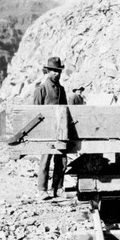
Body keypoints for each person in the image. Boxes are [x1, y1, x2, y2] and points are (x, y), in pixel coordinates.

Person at [33, 57, 68, 200]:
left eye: (59, 71)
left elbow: (66, 110)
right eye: (54, 71)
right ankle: (42, 189)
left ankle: (57, 188)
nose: (57, 74)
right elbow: (35, 113)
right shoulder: (41, 89)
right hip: (46, 132)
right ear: (47, 72)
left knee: (61, 160)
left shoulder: (61, 89)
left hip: (60, 132)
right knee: (45, 160)